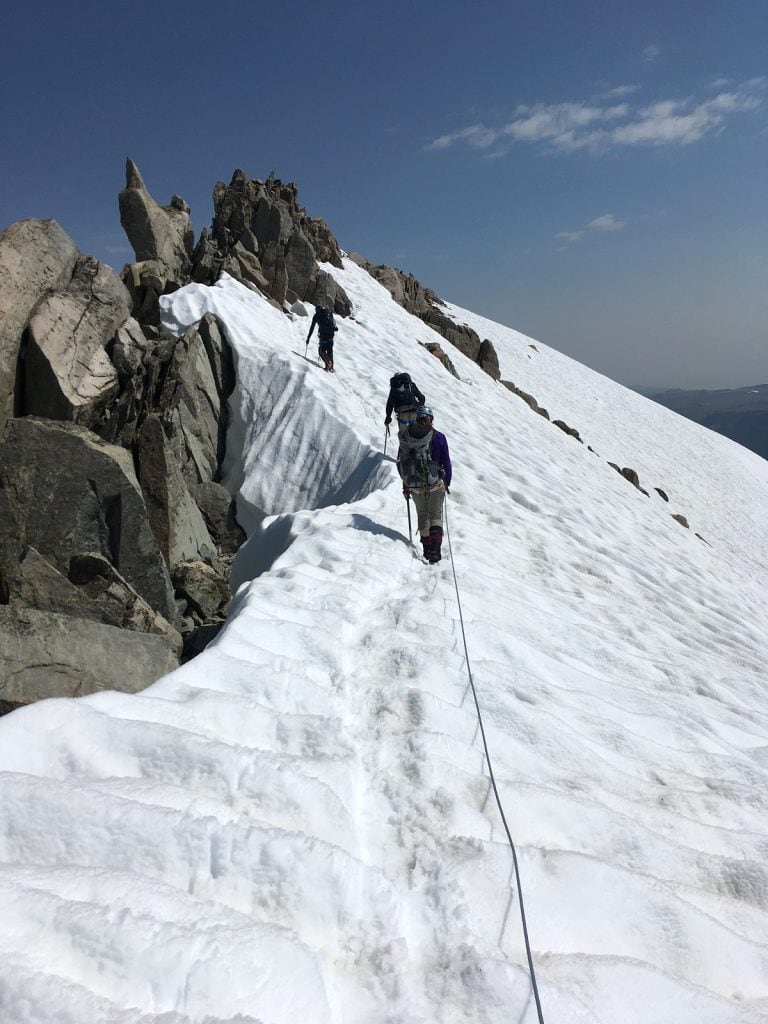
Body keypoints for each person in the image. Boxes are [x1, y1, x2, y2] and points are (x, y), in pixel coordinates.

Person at [398, 405, 452, 563]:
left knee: (422, 515)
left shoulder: (406, 437)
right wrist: (446, 482)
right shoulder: (439, 437)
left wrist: (406, 485)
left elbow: (403, 462)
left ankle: (427, 550)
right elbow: (445, 462)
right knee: (434, 515)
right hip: (435, 483)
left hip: (414, 485)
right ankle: (435, 551)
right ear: (431, 419)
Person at [385, 372, 425, 439]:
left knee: (403, 436)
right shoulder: (410, 384)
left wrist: (388, 417)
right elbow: (421, 397)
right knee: (416, 434)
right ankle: (415, 448)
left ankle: (403, 449)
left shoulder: (393, 388)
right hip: (414, 411)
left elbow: (389, 404)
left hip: (402, 413)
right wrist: (420, 404)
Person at [307, 304, 338, 372]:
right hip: (331, 336)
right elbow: (334, 323)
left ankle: (328, 363)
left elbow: (312, 327)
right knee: (330, 351)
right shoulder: (329, 313)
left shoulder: (316, 315)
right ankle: (331, 367)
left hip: (323, 336)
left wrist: (308, 337)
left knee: (321, 351)